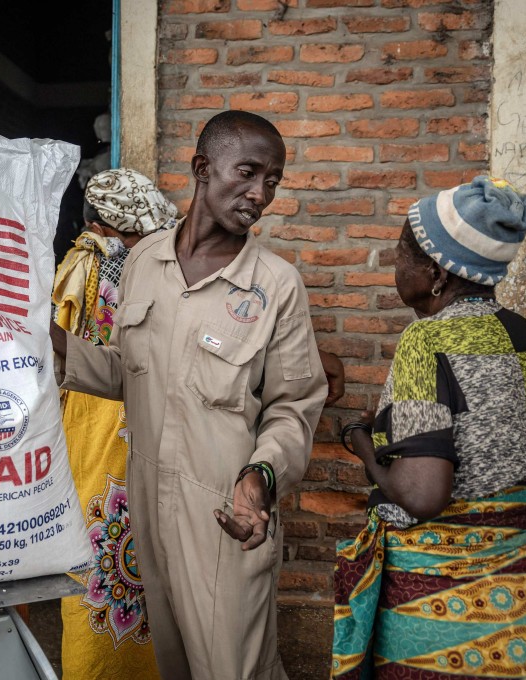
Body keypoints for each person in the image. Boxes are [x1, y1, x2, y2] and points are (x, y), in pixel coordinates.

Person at [51, 110, 328, 679]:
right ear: (203, 168)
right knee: (172, 663)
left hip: (226, 509)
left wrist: (261, 479)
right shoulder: (143, 264)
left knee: (234, 668)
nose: (260, 194)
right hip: (145, 502)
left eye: (272, 181)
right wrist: (53, 344)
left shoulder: (275, 286)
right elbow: (132, 374)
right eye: (247, 173)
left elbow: (293, 407)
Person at [332, 177, 526, 679]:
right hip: (523, 597)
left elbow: (424, 494)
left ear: (435, 272)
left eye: (403, 250)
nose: (394, 262)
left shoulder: (426, 340)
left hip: (442, 608)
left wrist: (363, 444)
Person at [52, 167, 178, 680]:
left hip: (93, 426)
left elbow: (52, 355)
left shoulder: (82, 267)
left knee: (97, 552)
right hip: (140, 420)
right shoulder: (148, 267)